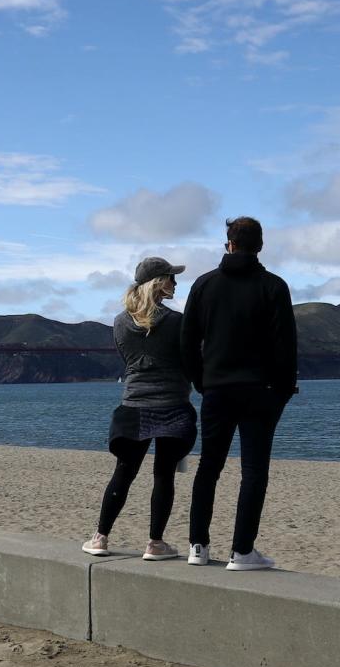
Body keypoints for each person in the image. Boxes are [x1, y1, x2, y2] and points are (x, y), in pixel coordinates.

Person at [181, 216, 297, 571]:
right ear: (260, 245)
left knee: (208, 468)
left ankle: (197, 547)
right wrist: (282, 391)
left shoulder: (204, 285)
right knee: (254, 472)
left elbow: (187, 342)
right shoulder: (274, 286)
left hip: (217, 389)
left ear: (228, 243)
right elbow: (286, 348)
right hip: (260, 390)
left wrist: (203, 382)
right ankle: (242, 551)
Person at [83, 257, 196, 561]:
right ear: (159, 282)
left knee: (124, 473)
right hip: (173, 406)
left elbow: (128, 362)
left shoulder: (120, 322)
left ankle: (99, 538)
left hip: (134, 405)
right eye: (172, 278)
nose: (175, 283)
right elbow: (188, 362)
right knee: (163, 476)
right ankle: (155, 544)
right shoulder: (177, 322)